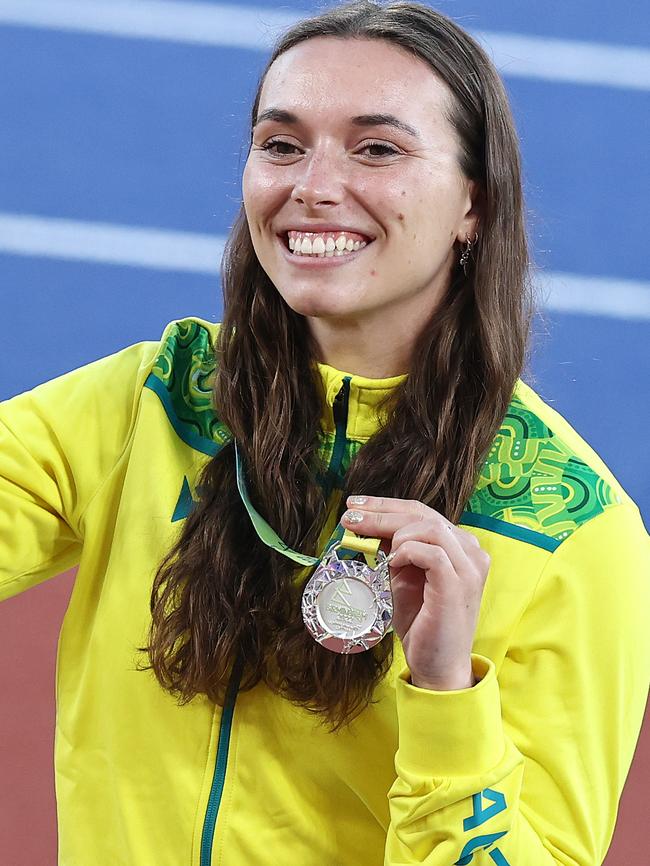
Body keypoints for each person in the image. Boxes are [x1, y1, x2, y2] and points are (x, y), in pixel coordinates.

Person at [1, 1, 648, 864]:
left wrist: (445, 693)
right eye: (281, 144)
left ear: (474, 205)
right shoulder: (150, 403)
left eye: (376, 148)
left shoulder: (570, 528)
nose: (312, 185)